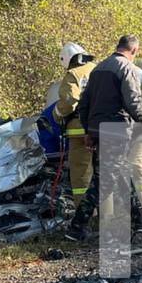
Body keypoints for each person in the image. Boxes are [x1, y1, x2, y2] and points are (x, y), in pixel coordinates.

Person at [63, 35, 142, 242]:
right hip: (117, 131)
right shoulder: (126, 68)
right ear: (134, 50)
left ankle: (139, 222)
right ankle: (77, 226)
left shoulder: (98, 69)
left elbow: (84, 104)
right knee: (104, 180)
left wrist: (89, 131)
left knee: (121, 176)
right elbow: (133, 100)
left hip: (99, 130)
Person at [53, 42, 96, 203]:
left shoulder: (73, 74)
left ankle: (85, 215)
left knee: (81, 173)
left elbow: (69, 102)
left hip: (80, 131)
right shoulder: (98, 68)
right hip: (103, 128)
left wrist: (56, 114)